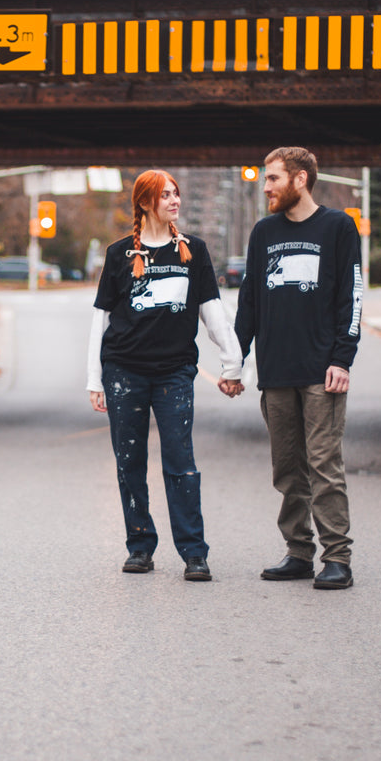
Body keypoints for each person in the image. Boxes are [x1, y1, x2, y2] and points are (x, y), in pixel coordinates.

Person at [88, 169, 244, 581]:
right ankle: (140, 546)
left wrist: (233, 363)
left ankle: (194, 552)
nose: (174, 200)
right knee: (129, 462)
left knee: (181, 462)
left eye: (176, 193)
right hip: (124, 372)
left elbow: (213, 311)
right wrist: (94, 378)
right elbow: (100, 320)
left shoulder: (194, 250)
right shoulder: (120, 254)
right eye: (165, 195)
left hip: (175, 373)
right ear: (145, 203)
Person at [231, 147, 362, 590]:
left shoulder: (339, 227)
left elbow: (353, 296)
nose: (265, 187)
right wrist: (236, 360)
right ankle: (298, 552)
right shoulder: (264, 232)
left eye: (272, 179)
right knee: (288, 469)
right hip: (276, 371)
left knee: (324, 465)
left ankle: (337, 557)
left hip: (321, 370)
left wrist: (343, 358)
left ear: (300, 179)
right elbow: (249, 301)